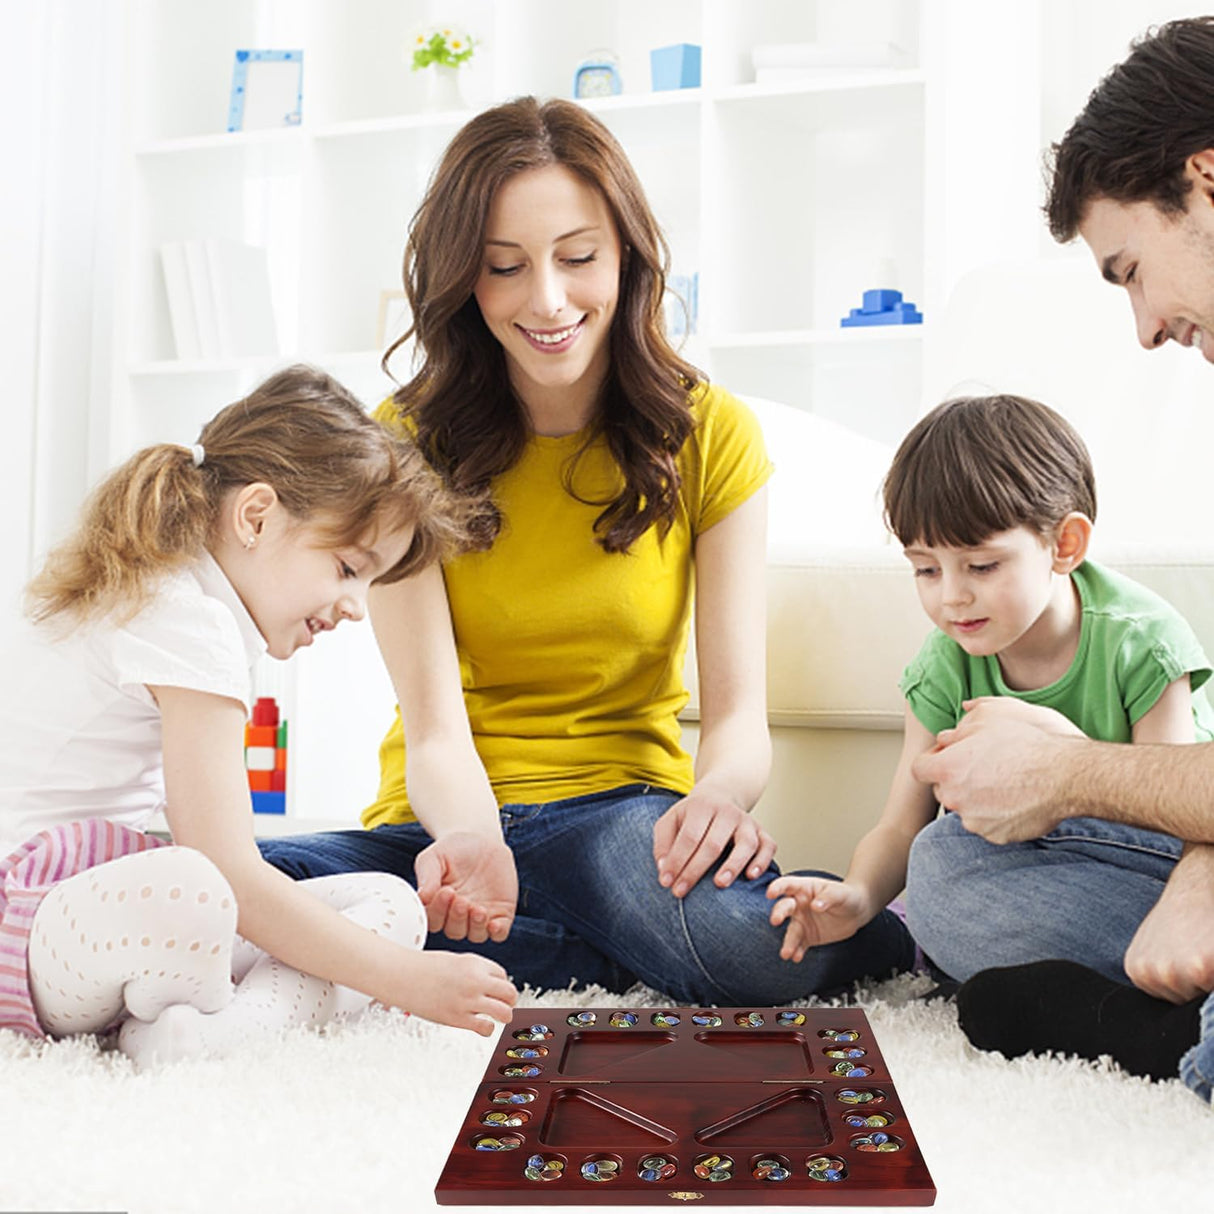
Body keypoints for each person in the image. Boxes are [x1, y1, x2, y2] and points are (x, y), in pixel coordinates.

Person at [259, 96, 915, 1004]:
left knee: (744, 950)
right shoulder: (404, 443)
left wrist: (718, 801)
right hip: (446, 828)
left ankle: (438, 947)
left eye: (578, 258)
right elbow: (436, 727)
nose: (548, 301)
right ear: (464, 278)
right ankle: (571, 947)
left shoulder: (709, 432)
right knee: (230, 882)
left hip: (620, 825)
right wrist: (473, 842)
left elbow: (736, 721)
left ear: (628, 258)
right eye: (504, 267)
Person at [0, 365, 516, 1066]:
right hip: (27, 924)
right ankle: (215, 1021)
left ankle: (197, 1036)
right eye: (346, 568)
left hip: (90, 921)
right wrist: (406, 982)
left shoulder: (176, 594)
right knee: (201, 891)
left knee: (387, 904)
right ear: (255, 515)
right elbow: (230, 872)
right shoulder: (185, 618)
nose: (355, 607)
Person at [911, 16, 1214, 1101]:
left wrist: (1070, 772)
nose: (1141, 328)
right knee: (946, 873)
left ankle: (1161, 1036)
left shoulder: (1134, 636)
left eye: (1131, 269)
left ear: (1206, 181)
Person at [765, 394, 1214, 974]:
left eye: (981, 567)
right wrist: (858, 897)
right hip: (1044, 878)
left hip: (1159, 870)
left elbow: (1173, 824)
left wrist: (1061, 753)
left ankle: (1112, 976)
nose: (951, 595)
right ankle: (1108, 983)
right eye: (926, 569)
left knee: (948, 877)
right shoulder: (943, 665)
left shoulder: (1141, 643)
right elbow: (903, 822)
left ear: (1065, 545)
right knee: (939, 865)